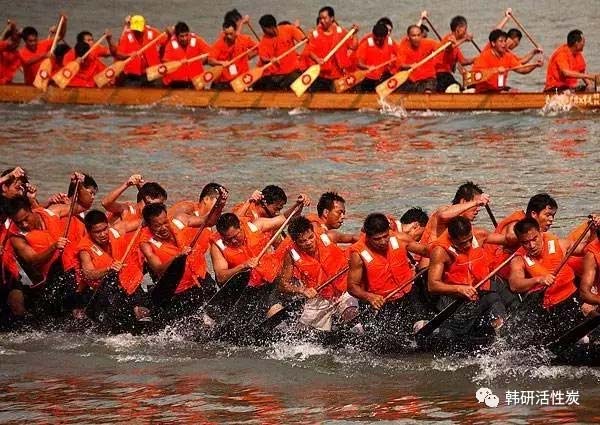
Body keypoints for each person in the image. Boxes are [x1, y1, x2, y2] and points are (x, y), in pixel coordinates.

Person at [508, 217, 590, 345]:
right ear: (520, 242)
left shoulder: (559, 243)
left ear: (540, 233)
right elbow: (514, 284)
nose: (531, 245)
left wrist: (594, 229)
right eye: (525, 242)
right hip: (548, 308)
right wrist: (538, 279)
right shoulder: (518, 260)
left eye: (534, 239)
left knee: (584, 336)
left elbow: (586, 249)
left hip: (572, 298)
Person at [347, 213, 425, 346]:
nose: (383, 242)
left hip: (407, 295)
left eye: (385, 236)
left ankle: (420, 326)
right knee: (388, 343)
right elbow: (352, 287)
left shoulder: (400, 238)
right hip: (379, 303)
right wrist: (370, 297)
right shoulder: (358, 254)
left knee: (421, 325)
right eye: (377, 239)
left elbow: (427, 250)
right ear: (368, 237)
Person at [139, 201, 223, 321]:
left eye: (165, 222)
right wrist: (177, 257)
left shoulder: (180, 221)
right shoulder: (146, 243)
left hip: (198, 282)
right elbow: (158, 269)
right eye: (157, 225)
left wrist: (220, 204)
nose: (164, 228)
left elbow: (209, 221)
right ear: (148, 225)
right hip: (176, 293)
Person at [426, 216, 507, 340]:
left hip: (479, 293)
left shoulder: (479, 235)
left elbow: (508, 239)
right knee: (450, 336)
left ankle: (501, 337)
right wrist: (459, 289)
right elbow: (432, 285)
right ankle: (435, 329)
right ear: (452, 239)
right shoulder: (440, 252)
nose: (468, 245)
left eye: (470, 239)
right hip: (454, 299)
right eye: (463, 243)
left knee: (494, 300)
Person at [278, 216, 357, 331]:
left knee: (353, 320)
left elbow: (355, 238)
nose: (309, 242)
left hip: (344, 292)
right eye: (302, 241)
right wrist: (303, 290)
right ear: (295, 242)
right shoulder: (291, 254)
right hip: (319, 298)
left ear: (314, 232)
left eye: (311, 237)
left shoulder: (329, 237)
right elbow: (283, 284)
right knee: (303, 334)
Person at [74, 209, 146, 327]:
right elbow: (89, 274)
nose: (103, 234)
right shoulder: (85, 250)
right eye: (97, 232)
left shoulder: (116, 230)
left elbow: (143, 221)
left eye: (104, 229)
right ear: (89, 231)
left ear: (108, 225)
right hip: (104, 290)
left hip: (129, 283)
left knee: (144, 316)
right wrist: (109, 269)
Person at [306, 6, 359, 91]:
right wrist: (317, 59)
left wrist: (355, 33)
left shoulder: (341, 32)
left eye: (324, 18)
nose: (322, 21)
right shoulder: (315, 34)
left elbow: (354, 46)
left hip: (337, 76)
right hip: (321, 75)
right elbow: (310, 51)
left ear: (332, 18)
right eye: (320, 18)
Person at [472, 29, 541, 93]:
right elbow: (473, 77)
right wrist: (495, 70)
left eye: (505, 41)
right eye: (501, 41)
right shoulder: (484, 56)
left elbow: (523, 70)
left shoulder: (508, 56)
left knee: (515, 92)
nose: (504, 44)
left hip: (499, 90)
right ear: (493, 43)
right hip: (484, 91)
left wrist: (535, 65)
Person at [252, 15, 305, 90]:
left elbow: (303, 39)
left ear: (271, 27)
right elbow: (263, 58)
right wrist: (270, 60)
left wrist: (303, 37)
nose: (263, 31)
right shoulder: (264, 40)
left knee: (297, 82)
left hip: (292, 71)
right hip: (276, 74)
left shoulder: (288, 29)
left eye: (264, 29)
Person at [116, 15, 166, 86]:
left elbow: (166, 42)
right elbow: (119, 54)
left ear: (144, 25)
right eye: (135, 30)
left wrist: (170, 35)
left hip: (152, 73)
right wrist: (128, 55)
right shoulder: (126, 35)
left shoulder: (152, 32)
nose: (137, 32)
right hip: (133, 76)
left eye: (139, 29)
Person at [209, 20, 257, 89]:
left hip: (241, 80)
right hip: (224, 81)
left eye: (231, 34)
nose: (229, 36)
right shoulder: (219, 44)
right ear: (223, 32)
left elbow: (258, 48)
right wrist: (221, 63)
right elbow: (210, 60)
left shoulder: (245, 39)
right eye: (226, 34)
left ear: (236, 31)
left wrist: (248, 57)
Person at [161, 22, 211, 88]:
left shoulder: (196, 40)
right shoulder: (170, 45)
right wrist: (179, 62)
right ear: (176, 36)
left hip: (196, 80)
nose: (185, 38)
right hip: (178, 82)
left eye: (186, 35)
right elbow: (165, 63)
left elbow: (211, 52)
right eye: (182, 36)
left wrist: (204, 60)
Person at [102, 175, 167, 224]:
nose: (161, 208)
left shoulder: (152, 219)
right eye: (160, 204)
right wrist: (127, 184)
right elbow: (105, 203)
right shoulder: (126, 209)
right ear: (148, 198)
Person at [19, 20, 67, 85]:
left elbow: (60, 36)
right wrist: (43, 56)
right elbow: (27, 62)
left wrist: (64, 23)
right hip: (31, 84)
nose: (33, 43)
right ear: (25, 41)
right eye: (30, 41)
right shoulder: (22, 52)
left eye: (35, 40)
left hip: (45, 82)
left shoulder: (43, 44)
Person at [395, 25, 440, 92]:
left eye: (418, 35)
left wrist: (450, 46)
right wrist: (410, 66)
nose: (417, 38)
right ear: (408, 37)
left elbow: (442, 47)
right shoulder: (404, 47)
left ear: (421, 35)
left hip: (428, 79)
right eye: (414, 36)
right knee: (399, 90)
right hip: (413, 81)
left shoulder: (429, 43)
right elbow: (400, 65)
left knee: (428, 89)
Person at [435, 16, 474, 92]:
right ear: (458, 29)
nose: (466, 32)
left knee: (461, 89)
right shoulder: (449, 38)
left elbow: (463, 61)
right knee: (456, 88)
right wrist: (464, 39)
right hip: (440, 74)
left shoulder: (456, 46)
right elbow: (450, 47)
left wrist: (476, 59)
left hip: (447, 74)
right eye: (465, 29)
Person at [354, 22, 396, 92]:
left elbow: (400, 56)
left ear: (385, 37)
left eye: (380, 40)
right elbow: (358, 63)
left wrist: (395, 60)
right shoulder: (367, 44)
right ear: (373, 35)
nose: (377, 42)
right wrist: (368, 67)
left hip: (383, 76)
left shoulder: (390, 42)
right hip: (369, 77)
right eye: (376, 39)